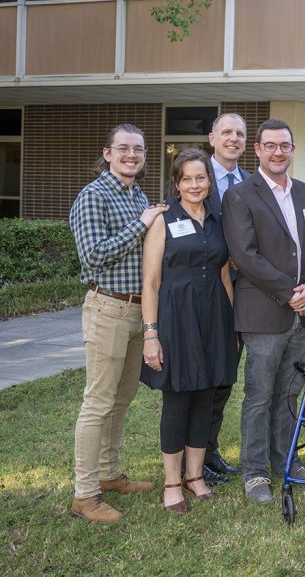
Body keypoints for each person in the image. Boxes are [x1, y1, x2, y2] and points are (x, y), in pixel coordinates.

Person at [221, 119, 305, 503]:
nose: (278, 152)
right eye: (270, 146)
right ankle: (254, 472)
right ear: (258, 150)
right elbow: (244, 256)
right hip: (265, 313)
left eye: (284, 145)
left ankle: (285, 460)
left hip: (304, 313)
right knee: (259, 395)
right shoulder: (240, 195)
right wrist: (290, 292)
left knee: (290, 392)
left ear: (293, 148)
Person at [68, 123, 168, 523]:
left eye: (139, 149)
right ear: (107, 153)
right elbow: (93, 256)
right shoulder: (93, 196)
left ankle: (109, 473)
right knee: (97, 402)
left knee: (121, 398)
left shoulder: (138, 194)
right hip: (107, 308)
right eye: (123, 149)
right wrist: (142, 223)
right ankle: (85, 494)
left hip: (138, 312)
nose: (132, 155)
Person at [139, 149, 238, 515]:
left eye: (201, 178)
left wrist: (230, 327)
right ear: (176, 184)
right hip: (175, 320)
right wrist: (151, 334)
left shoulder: (218, 219)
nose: (195, 185)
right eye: (188, 179)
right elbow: (150, 283)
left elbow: (225, 275)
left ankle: (195, 477)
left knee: (207, 395)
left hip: (215, 318)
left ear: (209, 182)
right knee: (178, 399)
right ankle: (171, 482)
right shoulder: (163, 220)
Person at [201, 112, 250, 484]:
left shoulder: (250, 182)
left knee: (226, 375)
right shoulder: (196, 177)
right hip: (207, 291)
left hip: (245, 292)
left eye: (240, 134)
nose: (233, 139)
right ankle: (195, 455)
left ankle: (211, 451)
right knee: (206, 377)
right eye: (227, 133)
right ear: (212, 138)